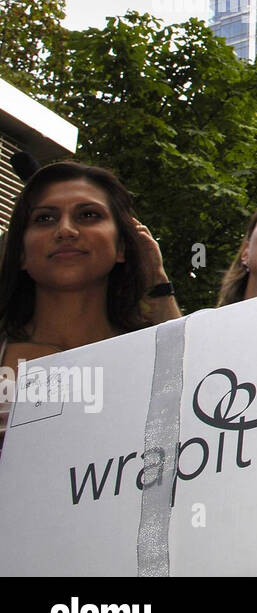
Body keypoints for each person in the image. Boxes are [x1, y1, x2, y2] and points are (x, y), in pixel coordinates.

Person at [0, 162, 179, 448]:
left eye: (88, 215)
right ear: (20, 252)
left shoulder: (149, 359)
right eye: (45, 219)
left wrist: (158, 283)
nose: (66, 230)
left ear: (122, 246)